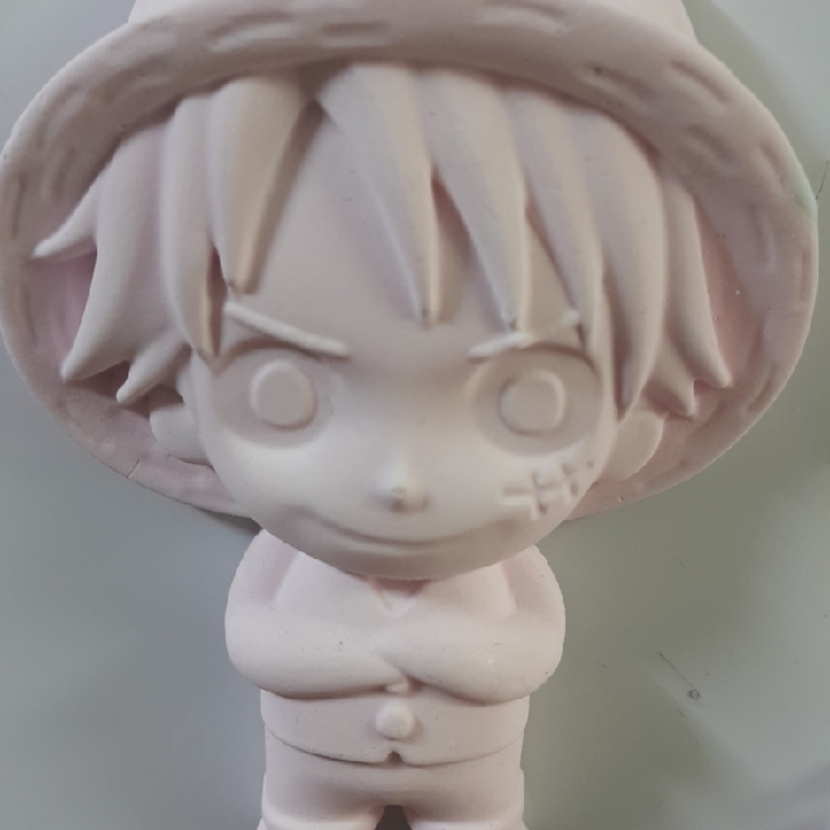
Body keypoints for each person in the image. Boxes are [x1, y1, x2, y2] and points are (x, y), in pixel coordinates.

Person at [0, 1, 815, 828]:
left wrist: (448, 657)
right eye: (282, 394)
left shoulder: (496, 571)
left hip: (472, 771)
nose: (401, 481)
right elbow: (254, 635)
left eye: (527, 400)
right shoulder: (298, 562)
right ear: (178, 413)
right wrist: (363, 658)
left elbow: (531, 643)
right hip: (315, 767)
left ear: (630, 430)